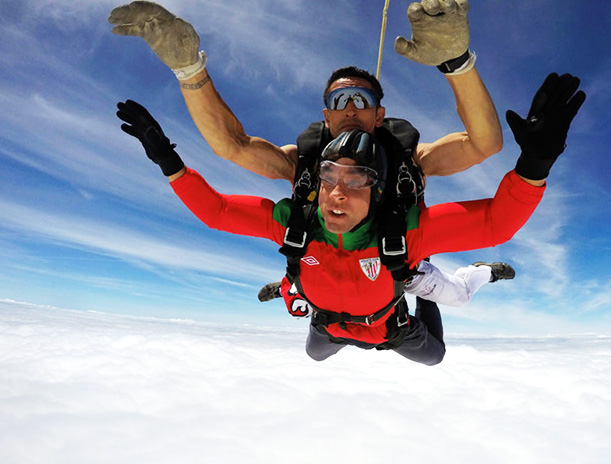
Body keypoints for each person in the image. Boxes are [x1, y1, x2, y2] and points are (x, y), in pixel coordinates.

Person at [116, 72, 586, 365]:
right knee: (313, 351)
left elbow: (494, 224)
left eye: (357, 179)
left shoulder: (404, 231)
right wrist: (168, 161)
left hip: (392, 317)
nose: (337, 191)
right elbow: (217, 209)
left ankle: (457, 286)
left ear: (378, 186)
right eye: (328, 176)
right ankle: (290, 292)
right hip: (327, 324)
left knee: (440, 339)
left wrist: (535, 165)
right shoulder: (295, 223)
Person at [108, 0, 513, 309]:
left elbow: (484, 144)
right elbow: (232, 145)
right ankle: (288, 285)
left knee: (456, 297)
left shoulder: (408, 158)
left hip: (398, 265)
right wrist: (189, 69)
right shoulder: (305, 160)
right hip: (323, 261)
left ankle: (479, 272)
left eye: (361, 98)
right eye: (339, 100)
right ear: (326, 115)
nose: (350, 107)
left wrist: (456, 62)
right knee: (307, 285)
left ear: (379, 114)